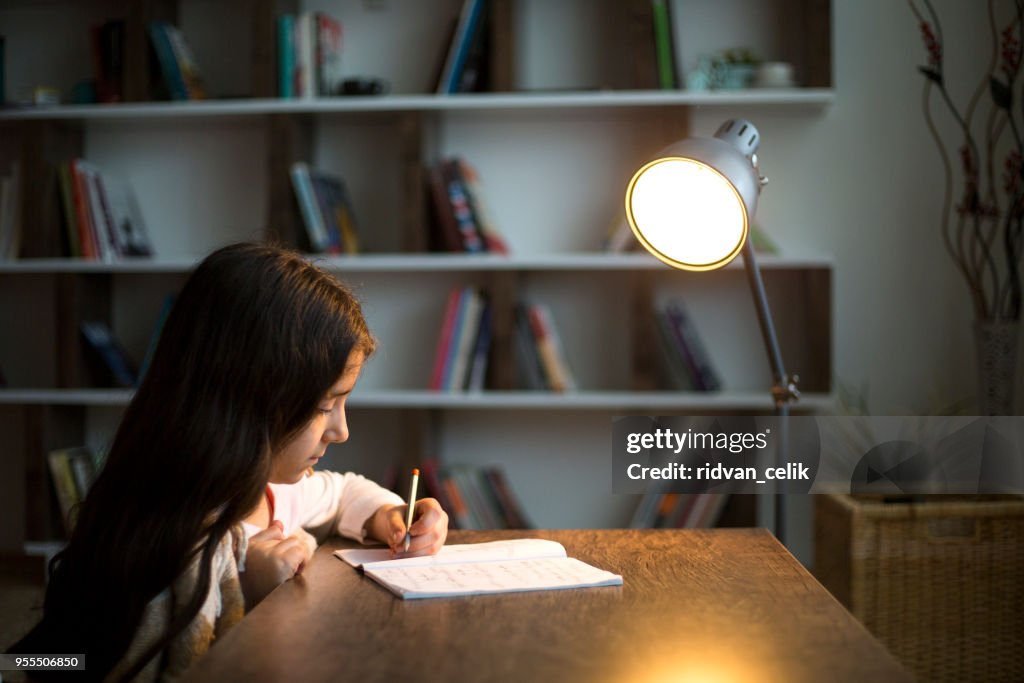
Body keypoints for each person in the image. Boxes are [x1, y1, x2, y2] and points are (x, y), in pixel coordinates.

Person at [12, 243, 448, 682]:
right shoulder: (173, 546)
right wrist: (255, 600)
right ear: (248, 400)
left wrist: (388, 515)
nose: (341, 430)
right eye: (323, 406)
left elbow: (343, 491)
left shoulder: (271, 491)